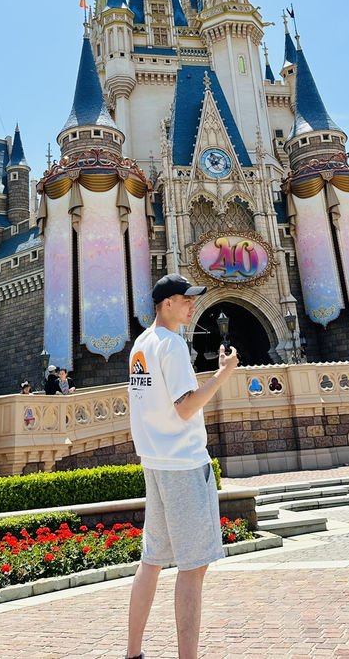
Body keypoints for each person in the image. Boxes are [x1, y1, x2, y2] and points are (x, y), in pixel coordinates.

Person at [126, 273, 239, 659]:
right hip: (184, 465)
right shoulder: (171, 345)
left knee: (151, 562)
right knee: (193, 567)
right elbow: (186, 406)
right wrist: (223, 374)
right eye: (186, 299)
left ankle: (133, 653)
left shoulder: (141, 345)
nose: (192, 305)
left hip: (155, 463)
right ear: (166, 304)